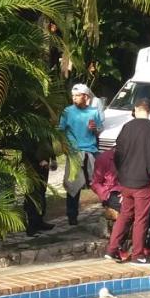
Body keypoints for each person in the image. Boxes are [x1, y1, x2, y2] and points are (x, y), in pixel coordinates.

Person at [105, 98, 150, 265]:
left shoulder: (126, 127)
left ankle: (112, 249)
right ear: (149, 111)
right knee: (141, 218)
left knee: (125, 215)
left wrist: (122, 173)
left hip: (126, 180)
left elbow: (117, 154)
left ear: (136, 109)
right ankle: (138, 254)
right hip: (143, 182)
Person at [58, 82, 103, 225]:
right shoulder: (67, 111)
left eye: (77, 95)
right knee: (73, 185)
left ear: (85, 96)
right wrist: (65, 147)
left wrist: (95, 128)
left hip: (90, 151)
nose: (74, 98)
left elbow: (98, 131)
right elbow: (60, 130)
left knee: (99, 182)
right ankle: (72, 216)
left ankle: (108, 209)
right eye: (72, 96)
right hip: (74, 152)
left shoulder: (93, 112)